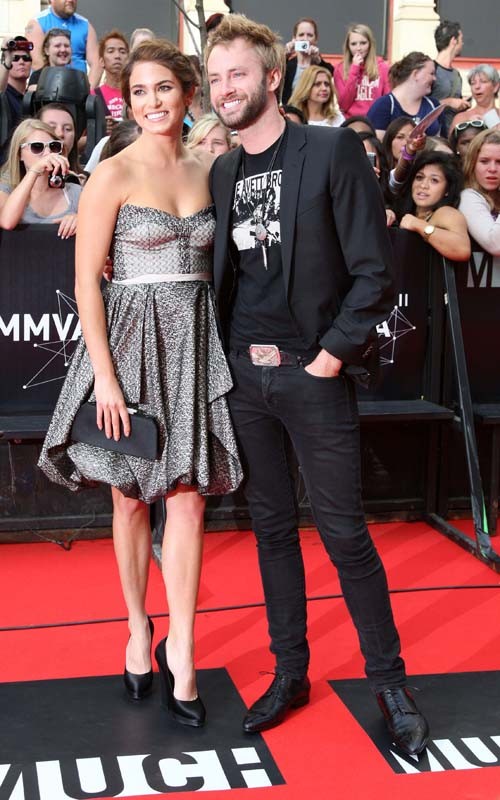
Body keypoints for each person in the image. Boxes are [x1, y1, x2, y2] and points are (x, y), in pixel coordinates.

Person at [206, 13, 430, 755]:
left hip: (314, 373)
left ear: (272, 78)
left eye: (238, 74)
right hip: (245, 377)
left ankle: (389, 684)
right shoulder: (222, 171)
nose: (224, 88)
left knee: (343, 534)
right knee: (272, 531)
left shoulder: (330, 150)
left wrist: (330, 357)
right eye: (215, 77)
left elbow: (375, 272)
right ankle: (290, 672)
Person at [38, 40, 243, 727]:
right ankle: (137, 626)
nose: (152, 102)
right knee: (129, 500)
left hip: (193, 346)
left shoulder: (211, 169)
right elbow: (85, 283)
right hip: (127, 349)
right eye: (139, 91)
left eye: (164, 88)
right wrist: (104, 377)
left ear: (189, 93)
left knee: (188, 501)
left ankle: (183, 649)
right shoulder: (113, 172)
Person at [0, 118, 80, 237]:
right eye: (37, 147)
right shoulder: (6, 189)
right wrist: (34, 171)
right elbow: (7, 222)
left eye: (53, 146)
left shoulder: (74, 192)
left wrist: (80, 219)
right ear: (19, 154)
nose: (48, 153)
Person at [395, 151, 470, 260]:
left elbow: (463, 250)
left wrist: (418, 225)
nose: (423, 185)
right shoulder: (404, 210)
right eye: (419, 177)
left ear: (447, 190)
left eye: (434, 180)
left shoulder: (446, 213)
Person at [26, 0, 101, 88]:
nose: (71, 0)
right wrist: (57, 90)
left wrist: (87, 91)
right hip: (48, 89)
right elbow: (37, 63)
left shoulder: (86, 25)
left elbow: (97, 63)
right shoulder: (37, 22)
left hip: (79, 87)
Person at [367, 52, 441, 139]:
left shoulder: (433, 105)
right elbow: (375, 144)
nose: (434, 78)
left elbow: (442, 141)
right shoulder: (384, 106)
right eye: (431, 73)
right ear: (416, 74)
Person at [459, 128, 500, 284]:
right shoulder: (468, 196)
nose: (492, 169)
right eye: (484, 161)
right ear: (472, 163)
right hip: (478, 292)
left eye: (499, 162)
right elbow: (495, 244)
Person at [334, 23, 390, 119]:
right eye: (353, 44)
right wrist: (354, 69)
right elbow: (343, 105)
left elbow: (387, 101)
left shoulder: (383, 68)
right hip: (351, 122)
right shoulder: (340, 69)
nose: (358, 48)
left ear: (370, 44)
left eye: (363, 43)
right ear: (348, 46)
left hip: (375, 121)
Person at [282, 17, 333, 106]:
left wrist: (318, 60)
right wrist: (284, 57)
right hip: (291, 111)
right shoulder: (288, 65)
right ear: (294, 38)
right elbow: (273, 79)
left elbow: (331, 75)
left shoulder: (321, 65)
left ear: (316, 39)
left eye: (309, 35)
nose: (305, 38)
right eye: (301, 35)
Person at [432, 20, 469, 137]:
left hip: (452, 136)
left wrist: (462, 104)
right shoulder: (431, 70)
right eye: (461, 39)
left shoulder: (456, 74)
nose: (462, 43)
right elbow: (419, 104)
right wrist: (448, 102)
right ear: (453, 40)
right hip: (433, 136)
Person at [0, 36, 32, 162]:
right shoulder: (5, 94)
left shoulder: (32, 97)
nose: (21, 62)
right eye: (15, 58)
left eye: (26, 58)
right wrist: (7, 59)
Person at [37, 101, 84, 182]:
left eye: (68, 129)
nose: (60, 134)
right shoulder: (19, 180)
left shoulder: (88, 180)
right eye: (51, 127)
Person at [94, 30, 129, 134]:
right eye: (111, 51)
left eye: (122, 52)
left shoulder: (137, 94)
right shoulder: (93, 96)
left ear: (128, 60)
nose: (117, 56)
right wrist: (100, 130)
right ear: (102, 61)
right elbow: (78, 140)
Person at [450, 65, 500, 134]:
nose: (477, 86)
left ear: (496, 87)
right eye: (473, 83)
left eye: (483, 81)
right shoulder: (461, 119)